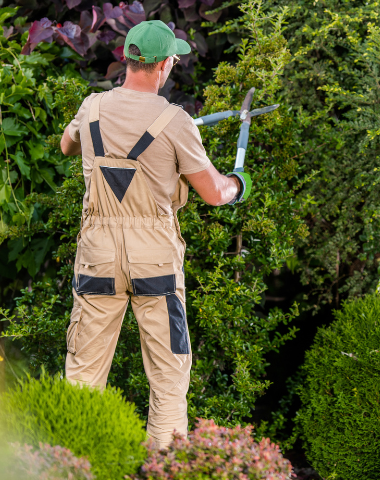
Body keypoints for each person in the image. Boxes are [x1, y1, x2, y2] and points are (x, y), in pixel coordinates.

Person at [59, 20, 250, 449]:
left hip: (98, 254)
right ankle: (164, 468)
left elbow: (67, 146)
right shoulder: (177, 121)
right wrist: (240, 183)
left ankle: (70, 465)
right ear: (164, 65)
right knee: (168, 374)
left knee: (83, 374)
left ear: (127, 60)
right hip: (155, 260)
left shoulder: (91, 108)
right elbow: (215, 194)